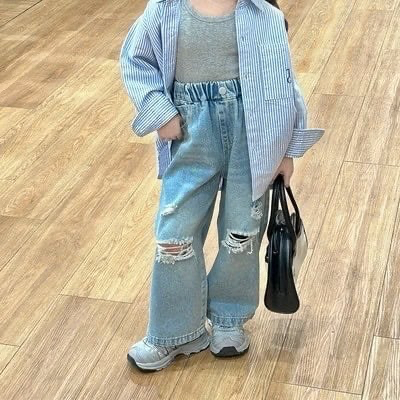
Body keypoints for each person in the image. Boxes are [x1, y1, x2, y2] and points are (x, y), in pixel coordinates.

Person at [119, 0, 324, 372]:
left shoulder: (265, 16)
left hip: (255, 135)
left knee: (242, 230)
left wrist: (287, 150)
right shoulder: (164, 10)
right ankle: (175, 331)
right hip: (190, 133)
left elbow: (284, 83)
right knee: (174, 233)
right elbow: (136, 61)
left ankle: (229, 318)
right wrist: (159, 111)